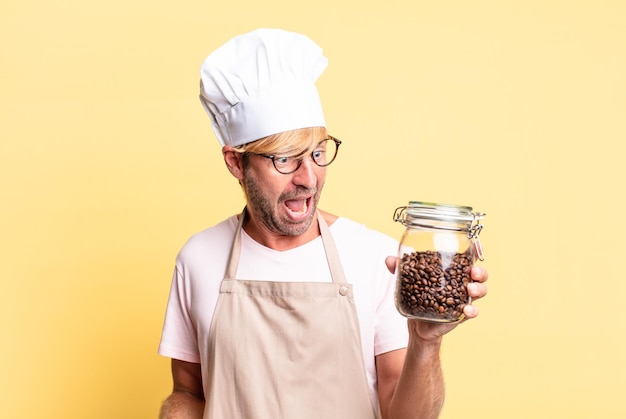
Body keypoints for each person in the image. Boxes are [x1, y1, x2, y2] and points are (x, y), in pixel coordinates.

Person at [158, 28, 488, 419]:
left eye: (317, 153)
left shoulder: (375, 257)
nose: (308, 178)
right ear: (235, 163)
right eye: (285, 159)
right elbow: (187, 392)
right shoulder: (198, 258)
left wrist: (426, 343)